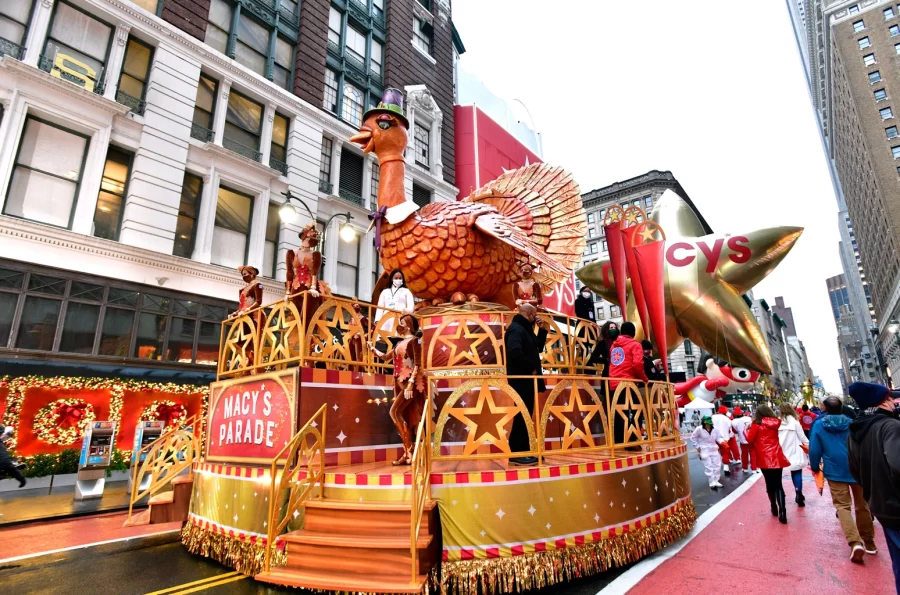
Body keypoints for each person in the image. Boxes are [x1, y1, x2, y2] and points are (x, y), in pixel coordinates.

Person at [809, 396, 876, 564]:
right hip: (856, 467)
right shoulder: (852, 422)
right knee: (862, 505)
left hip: (834, 469)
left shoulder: (818, 425)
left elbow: (814, 449)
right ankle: (869, 542)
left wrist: (815, 467)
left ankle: (854, 543)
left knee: (842, 506)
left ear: (824, 408)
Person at [848, 382, 900, 591]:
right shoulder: (891, 427)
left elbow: (855, 470)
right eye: (889, 400)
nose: (893, 403)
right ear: (883, 403)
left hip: (880, 505)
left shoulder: (855, 431)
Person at [368, 314, 425, 465]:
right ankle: (407, 453)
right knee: (401, 415)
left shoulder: (415, 341)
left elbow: (418, 364)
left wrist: (411, 383)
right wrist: (373, 350)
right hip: (398, 382)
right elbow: (387, 357)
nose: (398, 325)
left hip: (408, 382)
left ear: (408, 325)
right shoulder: (399, 343)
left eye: (401, 322)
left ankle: (409, 450)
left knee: (394, 412)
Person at [504, 303, 549, 466]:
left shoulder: (524, 329)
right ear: (529, 314)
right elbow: (514, 351)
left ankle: (525, 450)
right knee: (522, 414)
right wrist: (530, 367)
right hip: (521, 378)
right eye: (535, 315)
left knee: (525, 414)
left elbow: (537, 346)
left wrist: (542, 329)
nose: (535, 317)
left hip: (526, 378)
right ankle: (517, 452)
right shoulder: (516, 329)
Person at [746, 405, 791, 524]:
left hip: (764, 458)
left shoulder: (756, 425)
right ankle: (783, 511)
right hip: (776, 457)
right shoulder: (775, 423)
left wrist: (746, 430)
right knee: (778, 485)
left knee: (769, 484)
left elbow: (750, 440)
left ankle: (773, 506)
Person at [608, 321, 648, 447]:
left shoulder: (614, 346)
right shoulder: (635, 345)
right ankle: (632, 439)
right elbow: (637, 364)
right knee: (637, 410)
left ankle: (619, 442)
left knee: (620, 413)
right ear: (633, 332)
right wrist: (644, 378)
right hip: (628, 383)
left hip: (613, 383)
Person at [778, 403, 810, 507]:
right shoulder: (795, 422)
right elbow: (802, 437)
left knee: (778, 475)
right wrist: (809, 446)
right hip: (795, 450)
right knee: (797, 472)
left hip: (782, 450)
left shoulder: (778, 423)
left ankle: (780, 495)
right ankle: (798, 492)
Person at [375, 269, 415, 334]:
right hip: (385, 320)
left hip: (400, 320)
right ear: (391, 279)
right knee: (384, 340)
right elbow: (380, 308)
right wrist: (377, 321)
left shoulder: (406, 291)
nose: (398, 280)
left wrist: (406, 311)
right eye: (396, 278)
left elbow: (411, 307)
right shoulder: (385, 292)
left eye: (400, 278)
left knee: (398, 339)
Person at [691, 415, 725, 490]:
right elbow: (693, 438)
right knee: (708, 466)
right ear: (703, 421)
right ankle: (712, 481)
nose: (709, 421)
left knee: (717, 465)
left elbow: (718, 437)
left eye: (710, 419)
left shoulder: (715, 429)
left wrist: (722, 442)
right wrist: (697, 447)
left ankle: (716, 480)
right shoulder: (699, 429)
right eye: (707, 420)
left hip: (714, 448)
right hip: (704, 449)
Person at [711, 405, 737, 476]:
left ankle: (715, 469)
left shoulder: (712, 417)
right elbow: (730, 429)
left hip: (714, 438)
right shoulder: (727, 419)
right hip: (724, 439)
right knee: (725, 452)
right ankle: (726, 467)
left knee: (714, 453)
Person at [731, 407, 753, 473]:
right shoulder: (749, 418)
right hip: (751, 439)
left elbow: (735, 431)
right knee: (753, 454)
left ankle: (745, 468)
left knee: (744, 455)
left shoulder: (733, 421)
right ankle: (754, 468)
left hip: (743, 441)